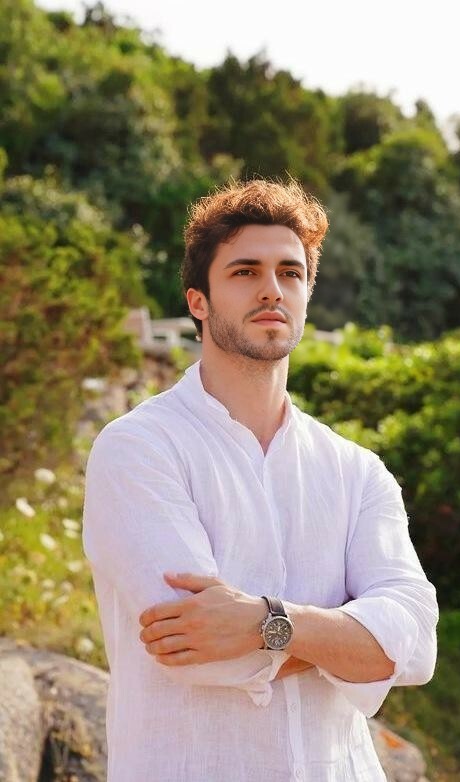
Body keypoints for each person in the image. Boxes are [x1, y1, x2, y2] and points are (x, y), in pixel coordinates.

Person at [82, 179, 439, 782]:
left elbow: (416, 644)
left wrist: (265, 623)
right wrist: (350, 636)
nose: (272, 288)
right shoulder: (138, 448)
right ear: (198, 300)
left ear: (307, 294)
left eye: (289, 273)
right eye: (245, 271)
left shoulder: (358, 471)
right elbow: (195, 651)